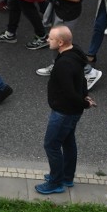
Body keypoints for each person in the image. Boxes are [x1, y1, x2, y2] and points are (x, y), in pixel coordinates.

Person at [36, 26, 97, 194]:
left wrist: (84, 103)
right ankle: (67, 177)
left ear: (61, 42)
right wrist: (84, 96)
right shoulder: (75, 52)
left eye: (51, 38)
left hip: (63, 112)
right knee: (68, 142)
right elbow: (81, 80)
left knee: (51, 145)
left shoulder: (64, 63)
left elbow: (69, 92)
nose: (48, 40)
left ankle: (56, 182)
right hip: (72, 112)